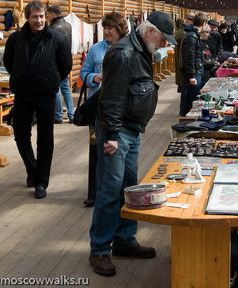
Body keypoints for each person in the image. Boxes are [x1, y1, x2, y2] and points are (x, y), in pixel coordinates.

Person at [89, 11, 177, 276]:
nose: (164, 44)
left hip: (132, 129)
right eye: (163, 39)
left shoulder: (140, 50)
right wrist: (112, 137)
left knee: (129, 187)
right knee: (109, 190)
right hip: (118, 133)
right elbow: (111, 98)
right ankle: (100, 249)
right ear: (150, 32)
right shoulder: (124, 53)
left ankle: (125, 240)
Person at [3, 0, 72, 199]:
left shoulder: (56, 39)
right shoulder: (16, 39)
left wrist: (50, 79)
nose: (39, 20)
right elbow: (9, 63)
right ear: (28, 17)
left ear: (46, 17)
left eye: (42, 16)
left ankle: (41, 181)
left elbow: (65, 65)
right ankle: (33, 170)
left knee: (45, 139)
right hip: (23, 94)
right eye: (35, 17)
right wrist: (22, 76)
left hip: (46, 95)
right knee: (21, 135)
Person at [80, 11, 130, 207]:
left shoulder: (128, 48)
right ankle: (94, 192)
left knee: (117, 149)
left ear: (120, 29)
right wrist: (93, 77)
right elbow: (84, 73)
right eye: (105, 28)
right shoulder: (95, 50)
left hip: (120, 107)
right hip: (97, 106)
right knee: (96, 148)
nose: (108, 32)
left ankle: (118, 192)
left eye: (111, 28)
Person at [47, 5, 74, 124]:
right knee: (66, 88)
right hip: (67, 61)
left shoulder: (53, 28)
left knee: (56, 89)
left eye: (47, 14)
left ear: (52, 14)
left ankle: (58, 115)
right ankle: (72, 115)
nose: (47, 17)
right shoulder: (68, 25)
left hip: (56, 63)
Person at [179, 12, 207, 116]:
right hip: (194, 73)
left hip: (196, 71)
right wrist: (191, 75)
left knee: (193, 98)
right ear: (204, 23)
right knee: (191, 98)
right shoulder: (191, 36)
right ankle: (186, 120)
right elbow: (189, 57)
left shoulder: (194, 35)